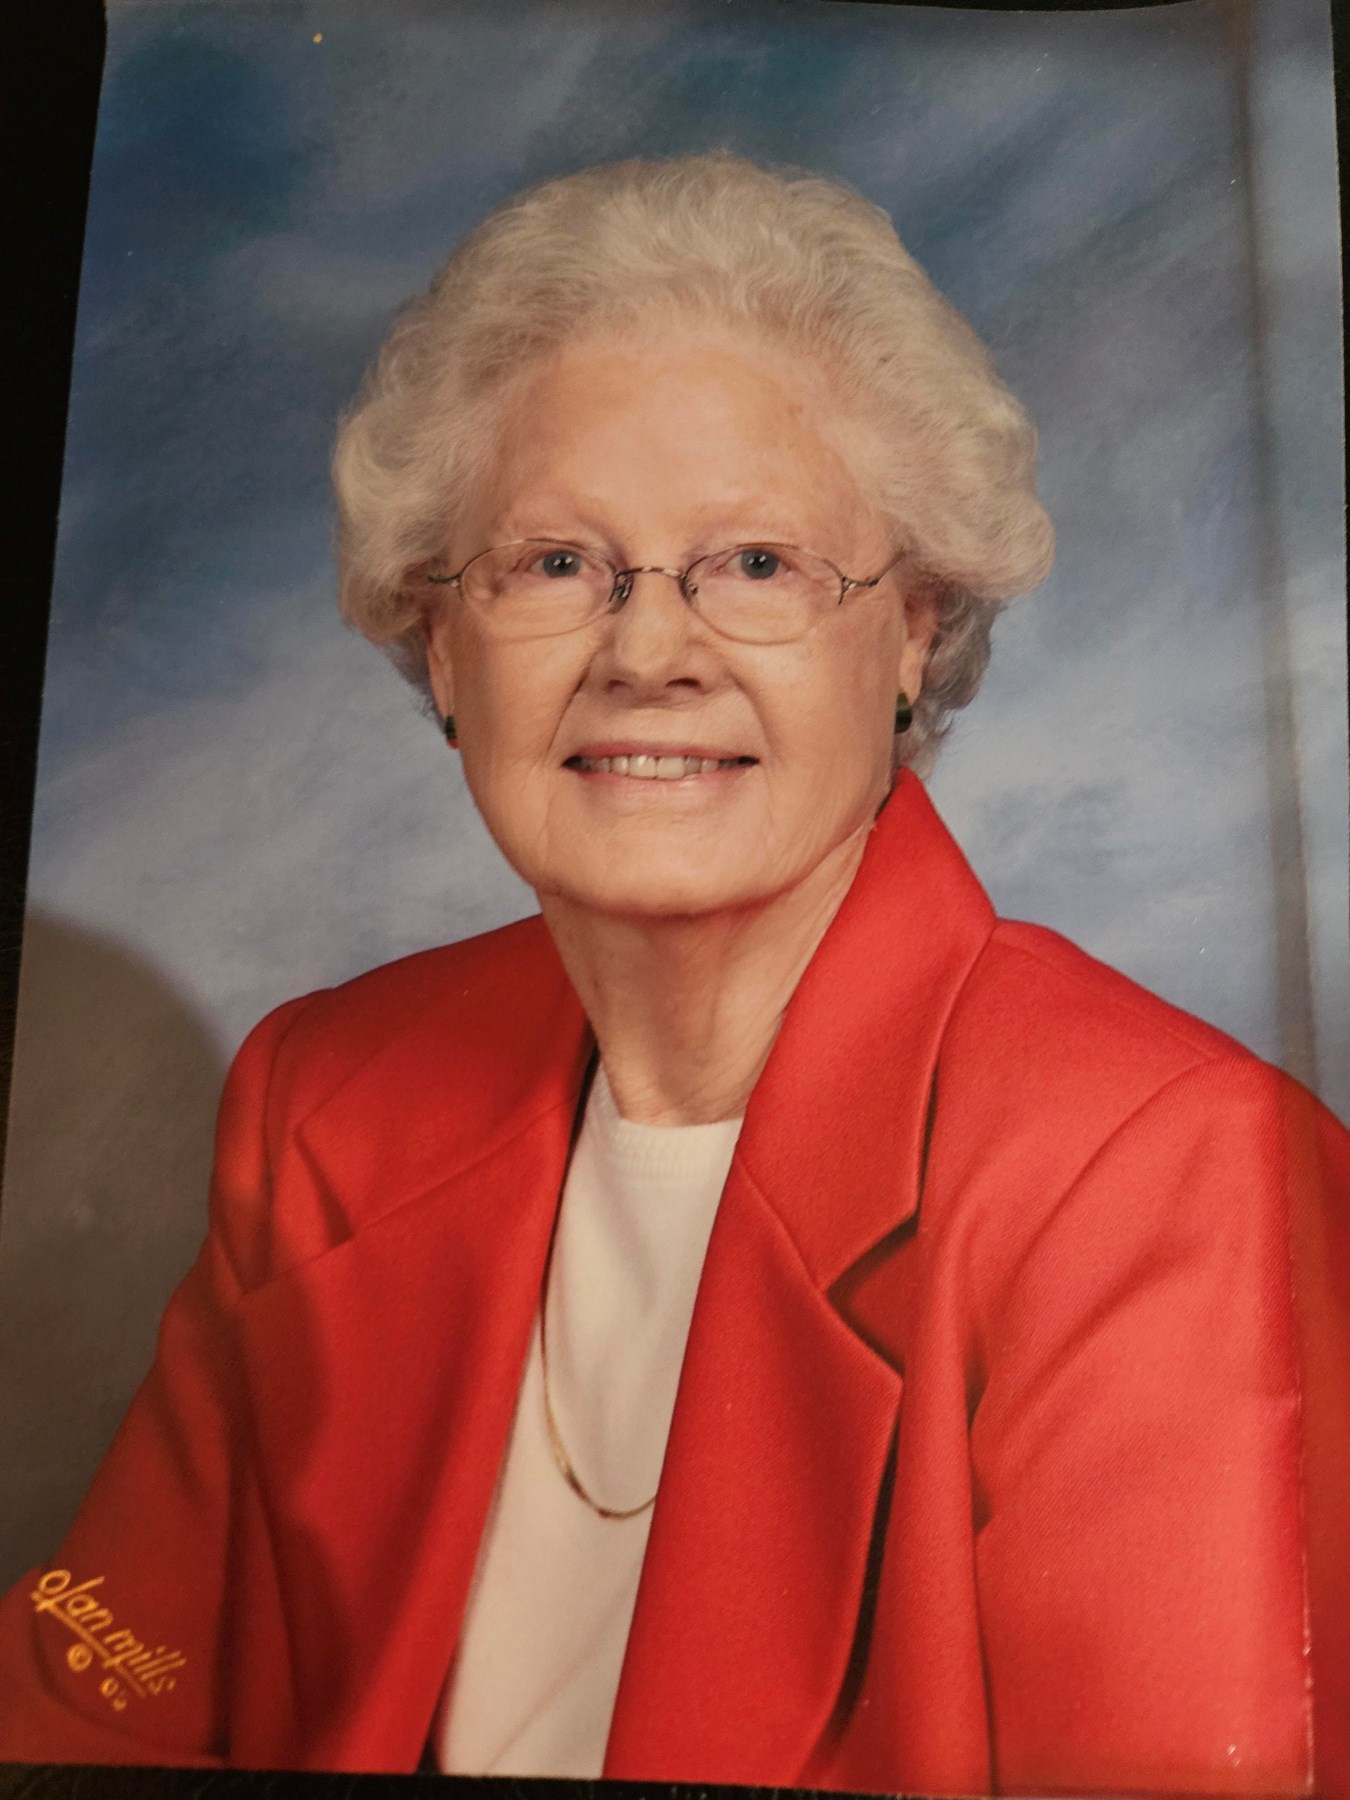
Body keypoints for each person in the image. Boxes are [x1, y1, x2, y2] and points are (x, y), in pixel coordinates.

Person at [0, 152, 1346, 1795]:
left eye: (756, 564)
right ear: (439, 642)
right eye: (554, 563)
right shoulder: (328, 1100)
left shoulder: (1163, 1176)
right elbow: (99, 1705)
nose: (646, 651)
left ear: (913, 630)